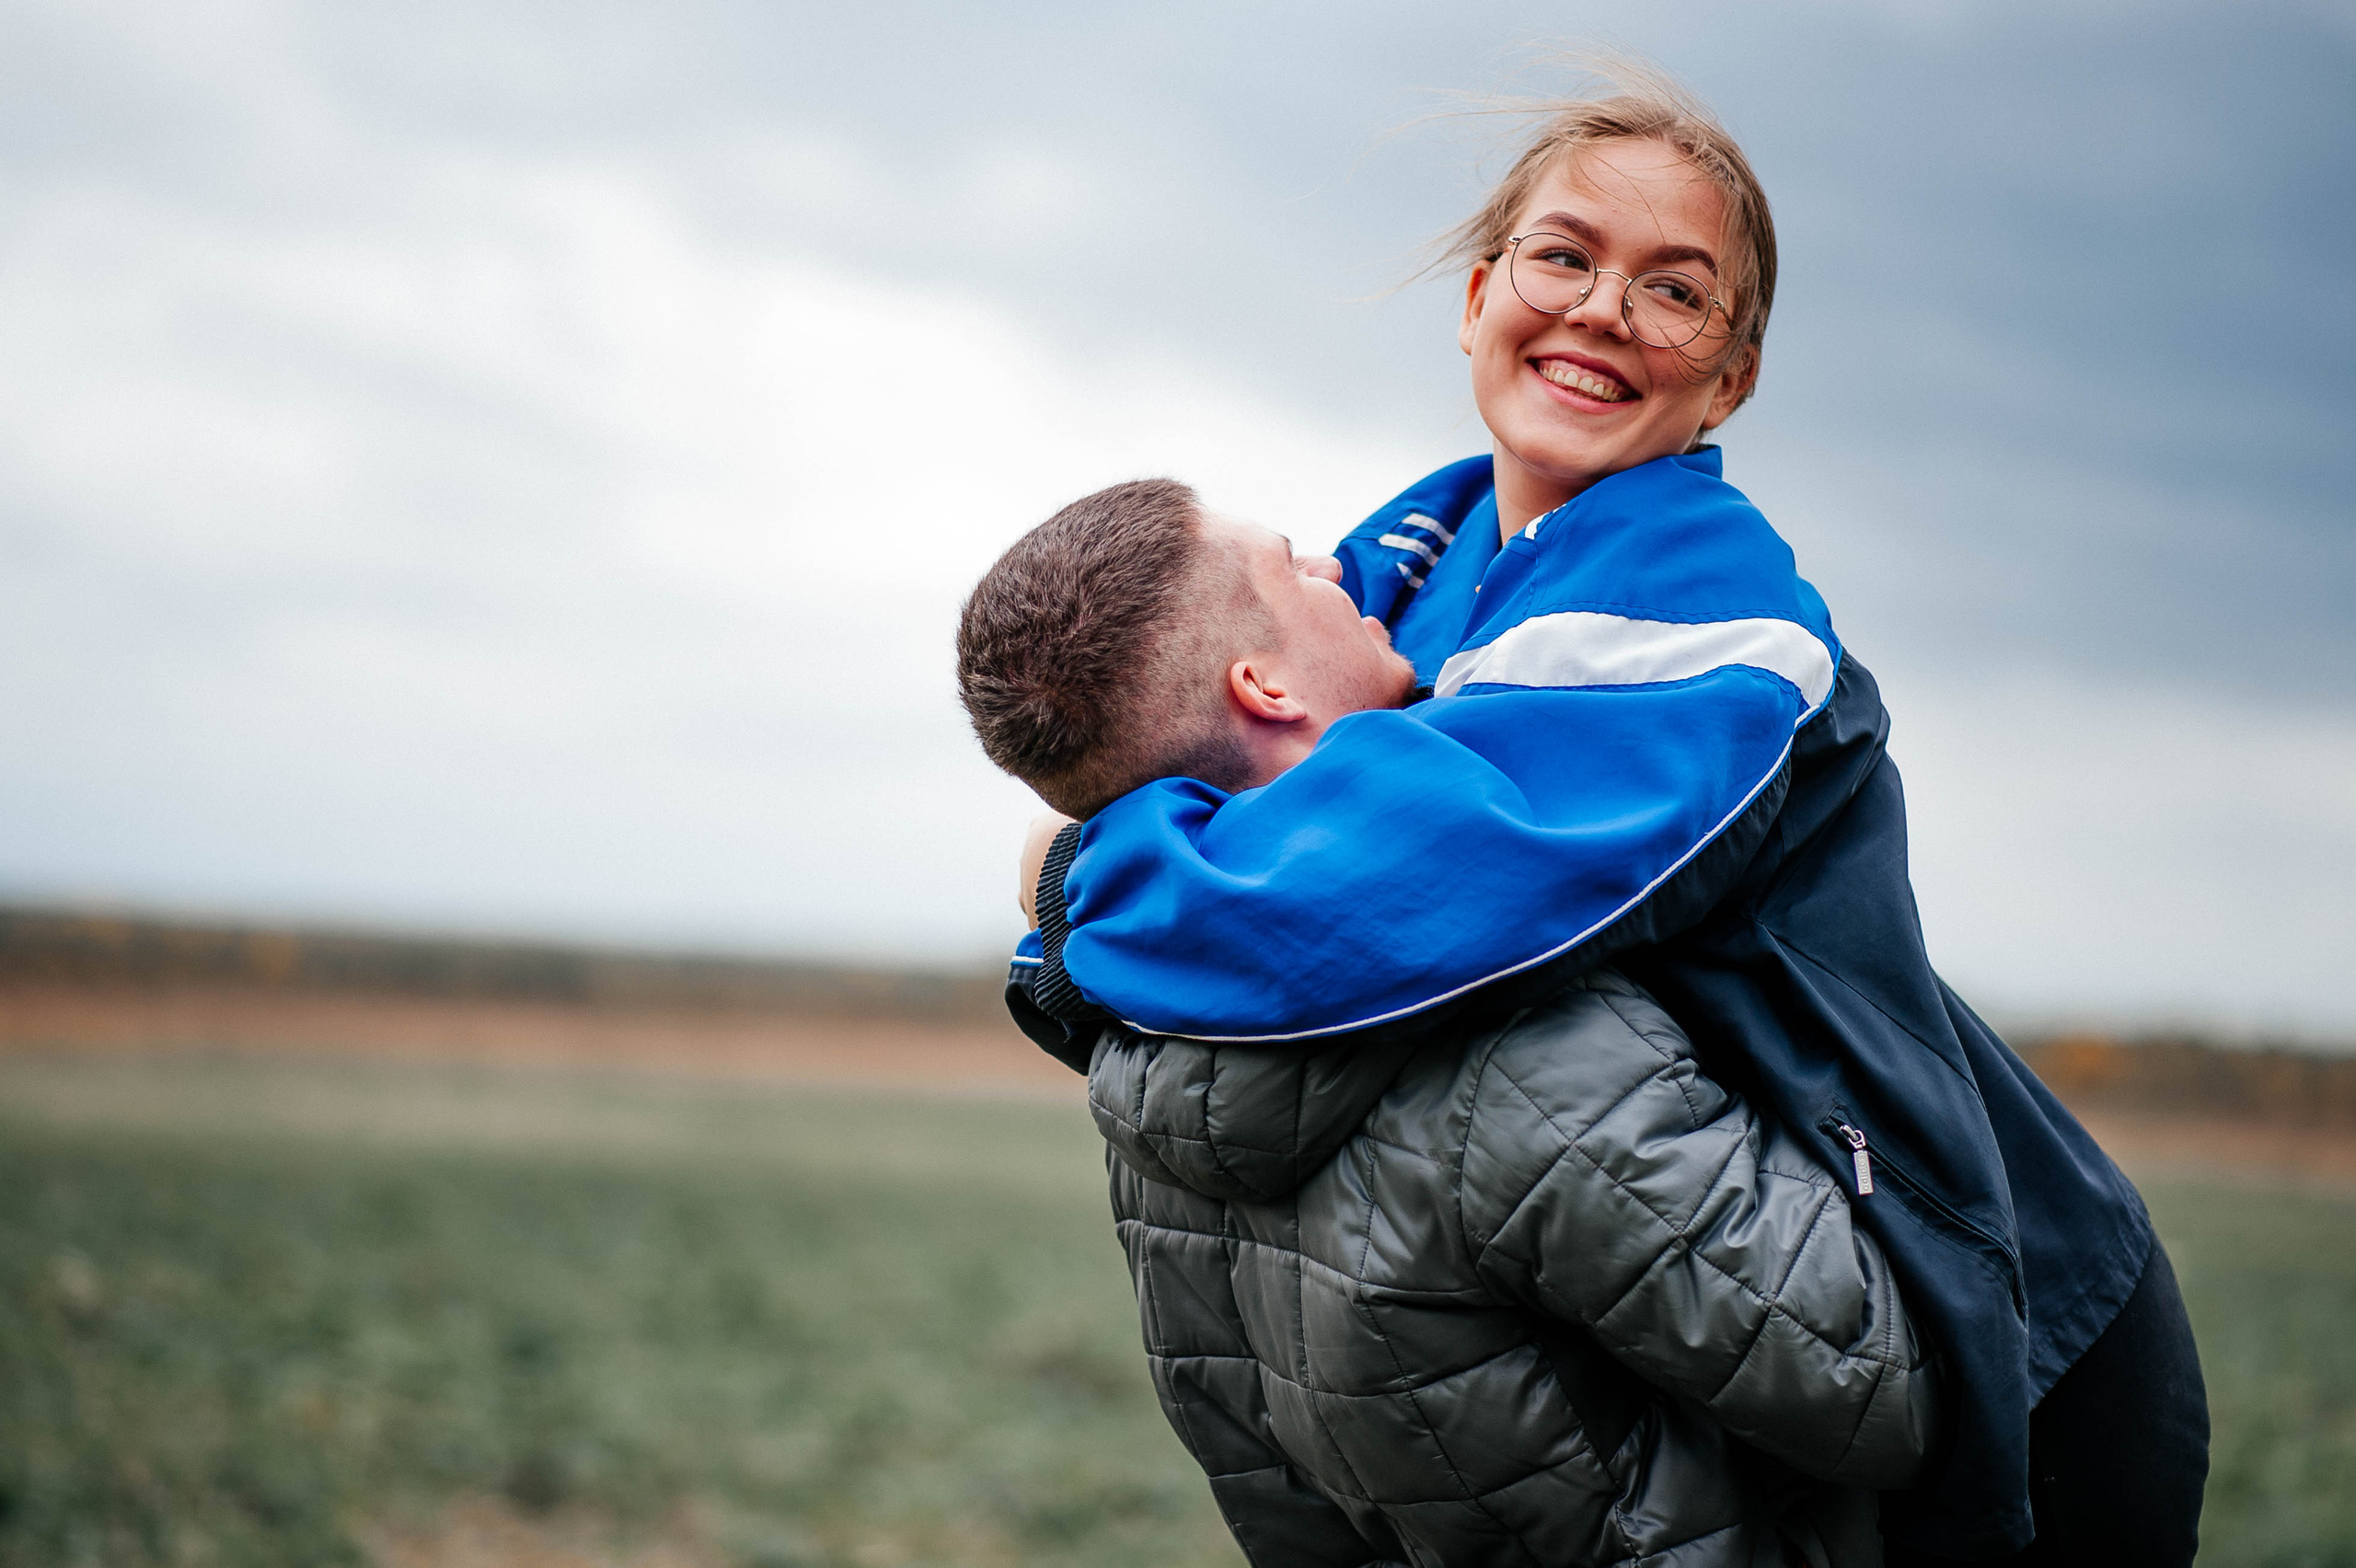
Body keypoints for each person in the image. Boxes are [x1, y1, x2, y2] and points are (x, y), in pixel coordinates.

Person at [970, 67, 2207, 1565]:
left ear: (1730, 377)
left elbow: (1379, 883)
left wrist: (1074, 878)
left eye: (1676, 290)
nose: (1606, 308)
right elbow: (1209, 755)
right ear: (1480, 295)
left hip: (2000, 1304)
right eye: (1564, 256)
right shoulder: (1413, 564)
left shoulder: (1702, 611)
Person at [958, 480, 1940, 1566]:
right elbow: (1865, 1383)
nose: (1338, 567)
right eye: (1289, 564)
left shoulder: (1140, 1065)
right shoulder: (1515, 1051)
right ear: (1263, 686)